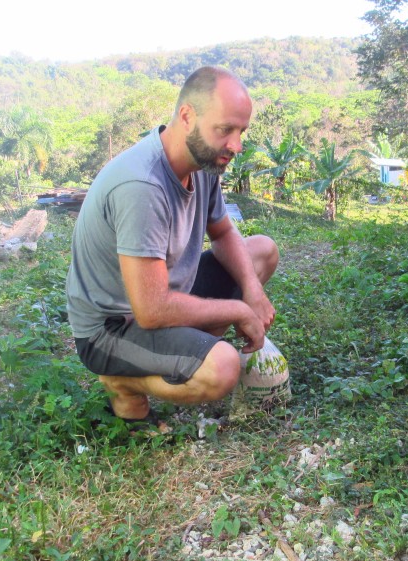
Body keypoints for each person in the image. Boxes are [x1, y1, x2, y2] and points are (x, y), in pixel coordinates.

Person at [66, 66, 279, 422]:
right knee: (223, 367)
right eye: (225, 129)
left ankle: (181, 350)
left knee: (262, 252)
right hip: (113, 326)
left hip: (162, 294)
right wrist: (240, 310)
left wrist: (252, 290)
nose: (236, 145)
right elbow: (151, 310)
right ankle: (123, 383)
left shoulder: (203, 164)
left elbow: (224, 233)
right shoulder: (141, 185)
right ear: (186, 116)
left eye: (241, 131)